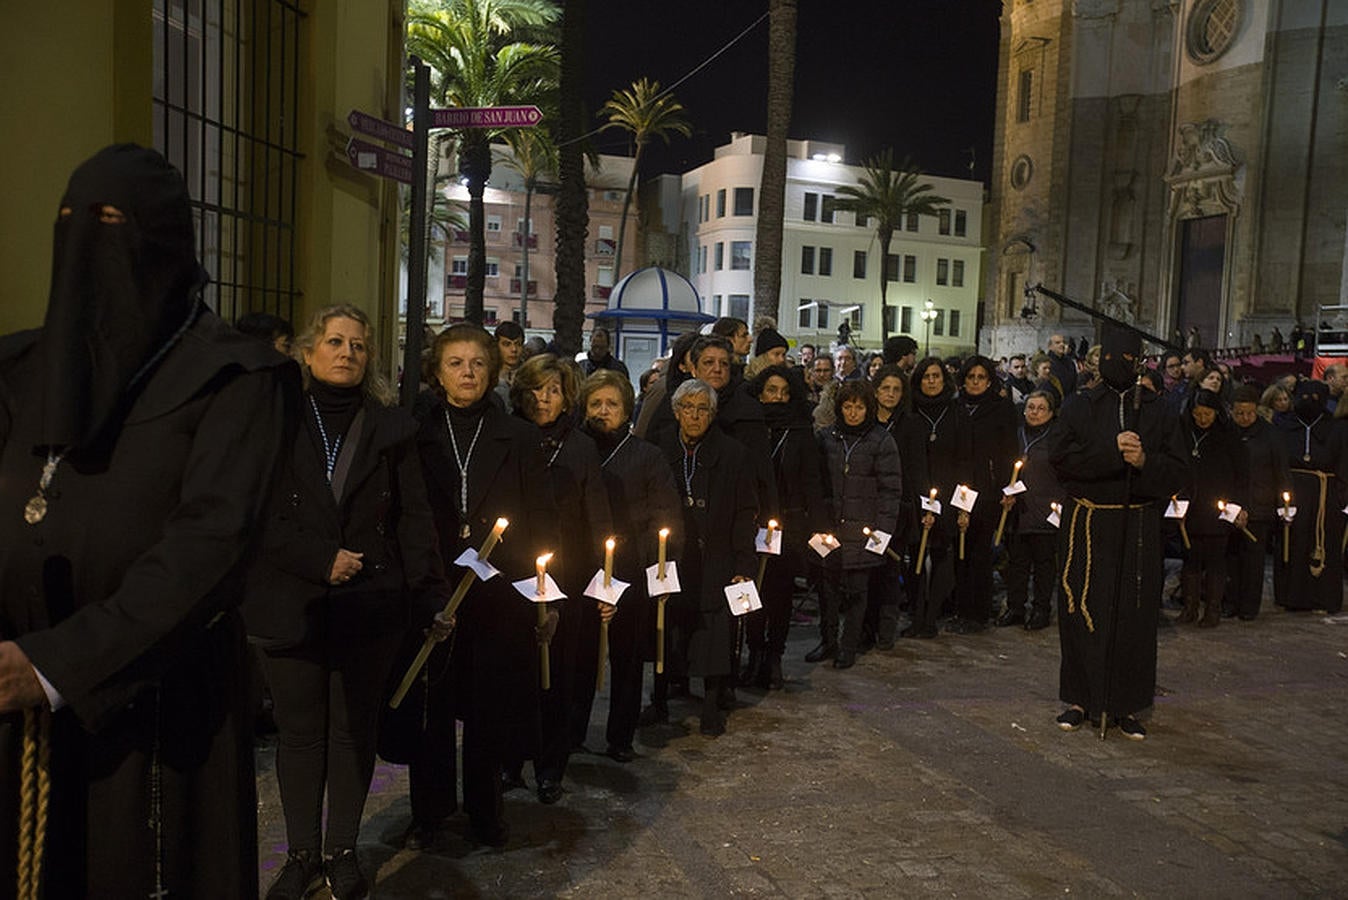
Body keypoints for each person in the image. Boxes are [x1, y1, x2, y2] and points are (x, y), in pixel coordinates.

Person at [0, 144, 293, 897]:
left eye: (111, 221)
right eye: (72, 220)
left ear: (165, 240)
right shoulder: (16, 372)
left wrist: (54, 665)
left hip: (157, 718)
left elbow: (209, 549)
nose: (89, 239)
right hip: (12, 711)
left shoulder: (235, 378)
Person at [245, 305, 450, 900]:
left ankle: (341, 851)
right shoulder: (274, 418)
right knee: (300, 734)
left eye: (358, 345)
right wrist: (317, 559)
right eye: (334, 342)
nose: (346, 353)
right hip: (292, 601)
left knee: (354, 733)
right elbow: (252, 510)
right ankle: (301, 854)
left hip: (370, 606)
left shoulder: (392, 428)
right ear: (309, 353)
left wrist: (430, 595)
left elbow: (414, 520)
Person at [386, 323, 558, 850]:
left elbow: (540, 520)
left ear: (494, 370)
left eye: (477, 363)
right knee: (431, 702)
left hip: (499, 592)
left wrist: (543, 594)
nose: (467, 372)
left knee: (490, 708)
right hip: (432, 584)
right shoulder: (413, 432)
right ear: (437, 372)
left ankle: (487, 811)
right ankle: (431, 812)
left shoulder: (520, 437)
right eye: (456, 363)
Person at [1050, 323, 1186, 740]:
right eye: (1111, 358)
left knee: (1133, 615)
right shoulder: (1078, 406)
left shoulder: (1160, 411)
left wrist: (1144, 461)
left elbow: (1179, 471)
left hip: (1137, 525)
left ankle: (1127, 703)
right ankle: (1080, 698)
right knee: (1081, 608)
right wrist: (1111, 453)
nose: (1118, 366)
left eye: (1127, 360)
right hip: (1088, 522)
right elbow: (1060, 459)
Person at [508, 354, 612, 803]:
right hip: (514, 572)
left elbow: (598, 519)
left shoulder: (580, 446)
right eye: (534, 389)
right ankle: (510, 759)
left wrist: (605, 586)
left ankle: (551, 765)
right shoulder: (509, 437)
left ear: (567, 396)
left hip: (567, 575)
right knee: (514, 672)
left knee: (560, 676)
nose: (543, 399)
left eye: (552, 390)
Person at [578, 370, 682, 756]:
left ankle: (620, 737)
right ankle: (572, 731)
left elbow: (664, 513)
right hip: (584, 568)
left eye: (612, 404)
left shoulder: (647, 456)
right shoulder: (577, 448)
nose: (604, 411)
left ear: (627, 410)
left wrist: (663, 569)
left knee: (626, 658)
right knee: (582, 654)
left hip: (632, 567)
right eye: (595, 404)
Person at [659, 379, 758, 736]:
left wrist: (744, 565)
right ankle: (661, 698)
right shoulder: (661, 447)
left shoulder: (733, 454)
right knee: (668, 628)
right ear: (676, 411)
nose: (695, 415)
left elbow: (746, 511)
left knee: (715, 632)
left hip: (717, 554)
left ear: (713, 414)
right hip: (674, 556)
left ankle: (712, 703)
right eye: (688, 407)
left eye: (703, 409)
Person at [813, 381, 902, 667]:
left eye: (859, 407)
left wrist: (882, 531)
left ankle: (847, 646)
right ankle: (827, 641)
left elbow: (891, 491)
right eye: (848, 406)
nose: (853, 413)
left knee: (856, 592)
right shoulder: (827, 438)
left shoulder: (881, 440)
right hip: (831, 527)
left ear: (869, 408)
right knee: (827, 590)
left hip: (864, 530)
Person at [746, 365, 825, 685]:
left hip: (788, 525)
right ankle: (753, 653)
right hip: (753, 522)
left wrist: (818, 525)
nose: (777, 398)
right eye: (771, 391)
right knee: (753, 593)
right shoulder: (750, 428)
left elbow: (812, 482)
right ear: (760, 393)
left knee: (779, 594)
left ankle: (774, 656)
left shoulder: (801, 431)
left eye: (784, 392)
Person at [950, 356, 1018, 633]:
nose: (976, 382)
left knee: (979, 552)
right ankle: (960, 608)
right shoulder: (955, 408)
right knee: (960, 550)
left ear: (989, 381)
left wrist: (1008, 489)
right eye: (971, 377)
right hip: (959, 486)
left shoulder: (1001, 409)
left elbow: (1010, 452)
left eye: (981, 377)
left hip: (988, 487)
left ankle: (977, 612)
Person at [904, 357, 968, 639]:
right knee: (915, 556)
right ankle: (916, 616)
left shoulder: (957, 413)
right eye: (926, 377)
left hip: (949, 494)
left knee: (942, 556)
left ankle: (931, 617)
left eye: (936, 376)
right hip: (916, 493)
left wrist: (964, 506)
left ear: (944, 379)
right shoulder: (910, 413)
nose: (931, 381)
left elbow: (967, 462)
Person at [1273, 380, 1347, 614]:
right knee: (1293, 541)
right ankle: (1293, 597)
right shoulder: (1285, 426)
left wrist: (1343, 497)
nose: (1309, 402)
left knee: (1325, 543)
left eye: (1315, 398)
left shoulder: (1337, 428)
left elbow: (1344, 462)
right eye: (1304, 397)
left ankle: (1323, 597)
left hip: (1327, 492)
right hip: (1294, 491)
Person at [1174, 390, 1247, 628]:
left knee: (1216, 560)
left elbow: (1241, 474)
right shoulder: (1184, 433)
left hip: (1218, 505)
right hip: (1191, 505)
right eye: (1197, 414)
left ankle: (1213, 609)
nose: (1202, 419)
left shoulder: (1229, 436)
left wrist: (1238, 506)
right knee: (1191, 558)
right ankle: (1190, 607)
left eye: (1207, 414)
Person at [867, 365, 927, 648]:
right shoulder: (865, 420)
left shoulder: (911, 424)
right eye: (885, 388)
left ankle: (886, 631)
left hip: (898, 506)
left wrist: (921, 506)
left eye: (896, 389)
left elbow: (917, 468)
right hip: (867, 504)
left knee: (891, 570)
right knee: (866, 571)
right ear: (876, 390)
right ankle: (864, 628)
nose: (890, 394)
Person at [997, 390, 1064, 630]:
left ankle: (1041, 609)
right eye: (1030, 408)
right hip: (1018, 511)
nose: (1034, 413)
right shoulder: (1017, 435)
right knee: (1017, 562)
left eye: (1040, 408)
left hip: (1045, 509)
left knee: (1044, 564)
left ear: (1051, 412)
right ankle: (1016, 606)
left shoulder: (1056, 438)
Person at [1230, 385, 1290, 620]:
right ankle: (1231, 601)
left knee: (1254, 560)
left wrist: (1284, 504)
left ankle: (1248, 607)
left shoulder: (1271, 435)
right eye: (1239, 413)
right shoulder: (1228, 433)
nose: (1245, 418)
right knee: (1232, 558)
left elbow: (1281, 471)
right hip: (1232, 505)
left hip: (1260, 505)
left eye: (1249, 413)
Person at [493, 320, 526, 410]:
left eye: (518, 344)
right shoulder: (487, 375)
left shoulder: (530, 375)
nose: (514, 349)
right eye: (507, 344)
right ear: (496, 346)